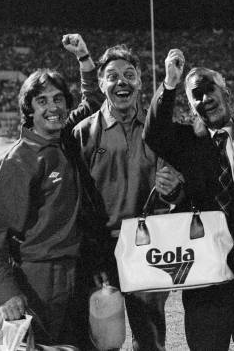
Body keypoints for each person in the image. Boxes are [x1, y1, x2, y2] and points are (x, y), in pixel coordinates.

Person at [144, 49, 234, 351]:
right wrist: (170, 83)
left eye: (209, 89)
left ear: (225, 91)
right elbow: (153, 134)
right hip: (203, 274)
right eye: (196, 95)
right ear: (191, 105)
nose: (204, 98)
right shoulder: (185, 142)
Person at [0, 34, 101, 347]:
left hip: (77, 273)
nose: (53, 107)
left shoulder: (65, 139)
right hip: (38, 281)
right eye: (42, 101)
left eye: (58, 99)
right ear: (28, 109)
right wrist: (6, 293)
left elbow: (95, 104)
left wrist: (84, 59)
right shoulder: (16, 162)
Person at [72, 44, 183, 351]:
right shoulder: (82, 134)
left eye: (129, 75)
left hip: (148, 249)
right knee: (103, 341)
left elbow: (180, 192)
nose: (122, 82)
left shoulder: (160, 130)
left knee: (150, 342)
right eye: (112, 76)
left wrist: (174, 188)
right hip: (99, 252)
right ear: (102, 85)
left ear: (139, 82)